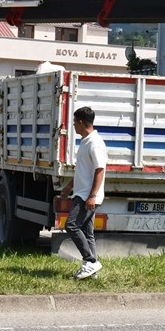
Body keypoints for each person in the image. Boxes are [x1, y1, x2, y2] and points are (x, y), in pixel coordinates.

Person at [60, 106, 106, 280]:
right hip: (81, 193)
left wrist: (93, 196)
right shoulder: (86, 141)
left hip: (87, 196)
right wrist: (68, 188)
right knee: (88, 233)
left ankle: (90, 261)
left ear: (80, 122)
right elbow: (83, 171)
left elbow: (99, 170)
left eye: (74, 122)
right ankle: (91, 269)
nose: (73, 125)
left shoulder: (95, 143)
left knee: (71, 225)